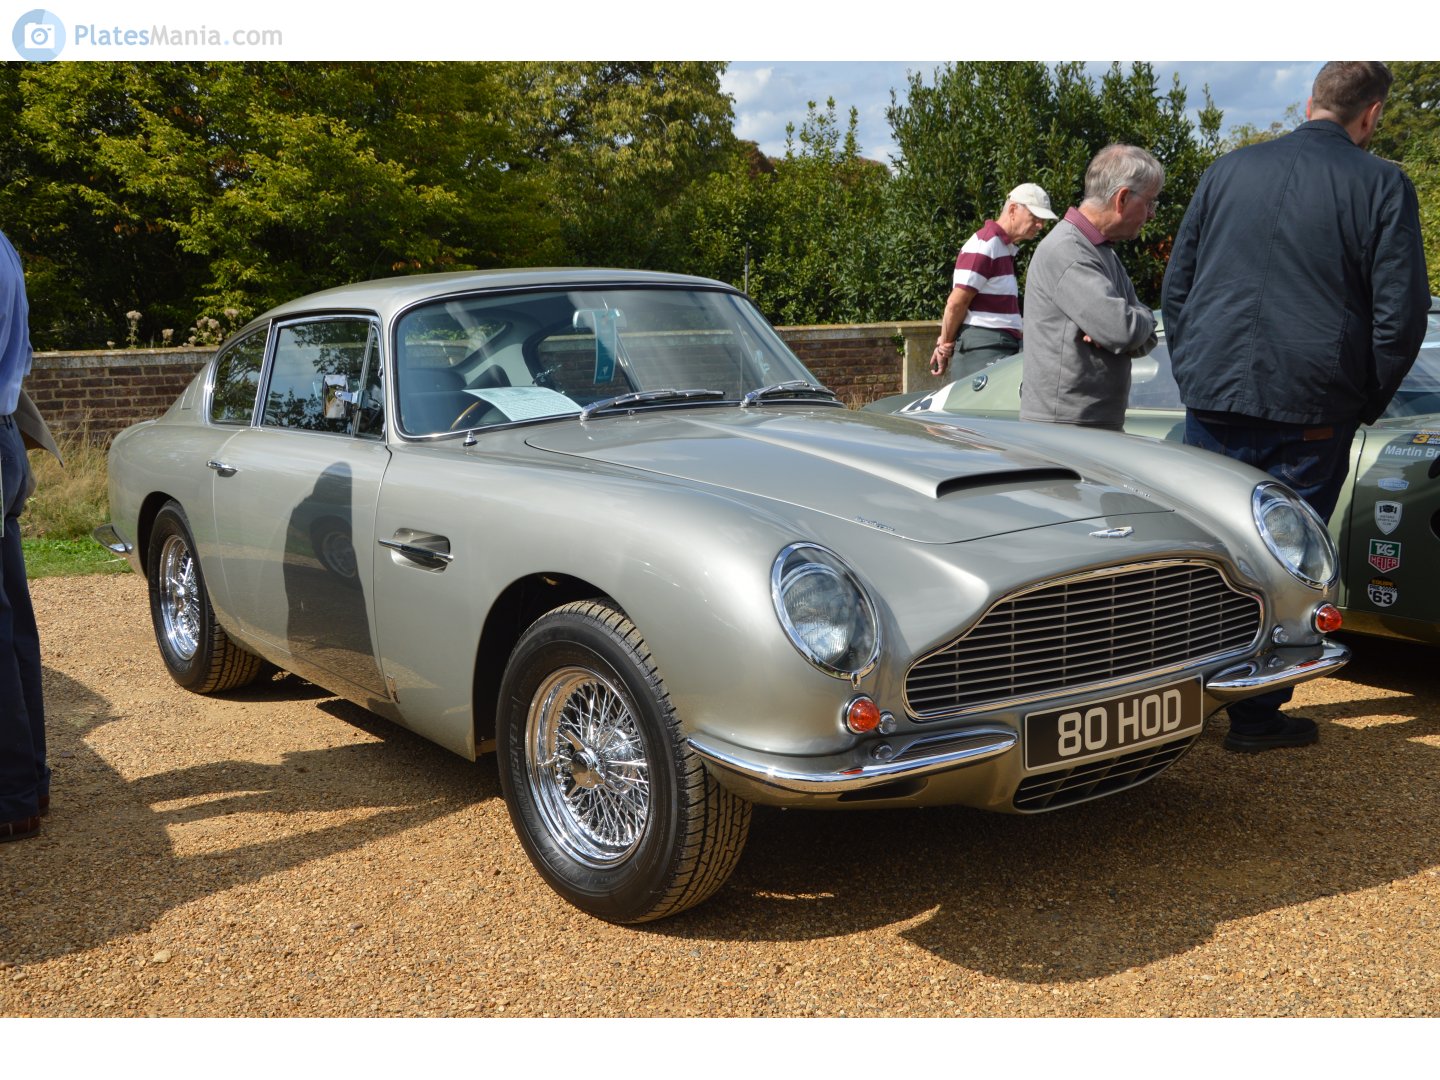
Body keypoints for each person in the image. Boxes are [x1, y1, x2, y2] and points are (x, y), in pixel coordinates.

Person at [1161, 61, 1429, 753]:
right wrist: (1363, 398)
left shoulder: (1227, 171)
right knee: (1287, 557)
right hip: (1310, 405)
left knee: (1212, 550)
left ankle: (1188, 700)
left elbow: (1177, 289)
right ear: (1370, 115)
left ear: (1310, 102)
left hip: (1215, 396)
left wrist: (1195, 371)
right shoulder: (1381, 183)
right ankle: (1253, 714)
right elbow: (1400, 319)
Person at [1019, 145, 1163, 430]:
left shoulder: (1100, 250)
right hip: (1067, 430)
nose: (1151, 215)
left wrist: (1128, 324)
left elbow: (1132, 329)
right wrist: (1122, 327)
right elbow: (1121, 330)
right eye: (1149, 203)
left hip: (1083, 424)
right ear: (1122, 198)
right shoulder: (1069, 250)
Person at [0, 227, 51, 843]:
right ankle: (25, 785)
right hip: (6, 433)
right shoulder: (7, 243)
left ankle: (14, 795)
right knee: (12, 624)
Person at [929, 183, 1056, 379]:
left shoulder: (1000, 247)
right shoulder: (986, 244)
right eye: (1036, 217)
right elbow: (956, 303)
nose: (1041, 225)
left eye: (1043, 220)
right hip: (984, 350)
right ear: (1013, 210)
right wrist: (944, 344)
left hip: (995, 347)